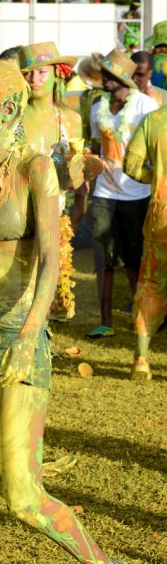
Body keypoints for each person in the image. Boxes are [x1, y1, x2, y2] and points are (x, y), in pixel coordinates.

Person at [0, 59, 130, 564]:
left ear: (7, 109)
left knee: (23, 499)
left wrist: (27, 336)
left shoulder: (36, 170)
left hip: (17, 335)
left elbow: (49, 260)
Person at [19, 42, 97, 321]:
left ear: (56, 74)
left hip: (56, 209)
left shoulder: (71, 119)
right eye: (27, 73)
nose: (34, 80)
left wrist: (79, 191)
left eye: (40, 73)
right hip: (17, 208)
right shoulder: (13, 117)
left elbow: (76, 174)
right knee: (19, 281)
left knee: (50, 277)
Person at [87, 48, 158, 339]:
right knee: (103, 257)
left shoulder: (145, 106)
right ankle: (105, 321)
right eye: (103, 73)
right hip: (104, 193)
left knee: (134, 258)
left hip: (138, 192)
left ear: (123, 78)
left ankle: (139, 316)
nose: (105, 79)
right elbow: (94, 149)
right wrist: (86, 184)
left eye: (110, 74)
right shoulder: (96, 108)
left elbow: (155, 149)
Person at [123, 106, 167, 380]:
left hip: (161, 210)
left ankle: (141, 359)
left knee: (151, 282)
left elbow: (131, 165)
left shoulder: (154, 120)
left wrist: (158, 179)